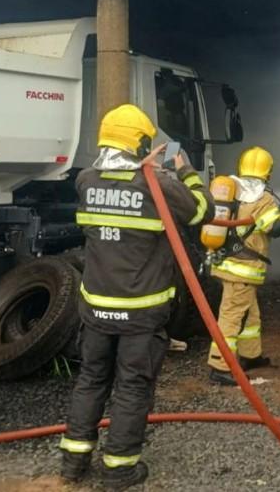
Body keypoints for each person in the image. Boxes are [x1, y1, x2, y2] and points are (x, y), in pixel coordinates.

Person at [60, 104, 214, 489]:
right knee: (132, 385)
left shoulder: (85, 180)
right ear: (143, 143)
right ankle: (119, 467)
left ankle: (73, 463)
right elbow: (202, 212)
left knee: (92, 379)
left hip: (95, 306)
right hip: (141, 313)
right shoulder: (157, 185)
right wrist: (185, 172)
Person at [207, 146, 280, 386]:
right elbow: (275, 228)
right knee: (231, 317)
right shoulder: (262, 199)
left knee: (250, 314)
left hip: (227, 262)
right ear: (268, 172)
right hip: (243, 267)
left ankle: (250, 356)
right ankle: (219, 366)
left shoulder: (231, 191)